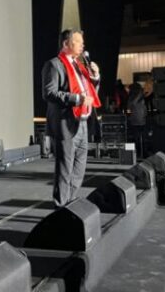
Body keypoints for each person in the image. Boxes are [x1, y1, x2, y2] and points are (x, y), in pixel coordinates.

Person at [42, 28, 101, 207]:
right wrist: (76, 99)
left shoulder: (79, 66)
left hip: (82, 123)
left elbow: (90, 92)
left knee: (79, 170)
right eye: (78, 42)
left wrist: (95, 76)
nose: (83, 45)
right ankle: (60, 207)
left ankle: (70, 204)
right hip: (65, 124)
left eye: (83, 42)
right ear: (66, 43)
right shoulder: (54, 65)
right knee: (64, 169)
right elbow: (49, 93)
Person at [127, 82, 147, 157]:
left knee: (140, 138)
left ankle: (141, 152)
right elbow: (131, 106)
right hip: (136, 120)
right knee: (137, 138)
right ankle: (138, 153)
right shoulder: (133, 99)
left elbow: (129, 108)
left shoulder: (137, 99)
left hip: (139, 120)